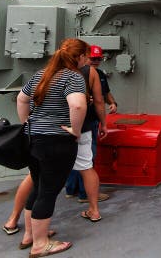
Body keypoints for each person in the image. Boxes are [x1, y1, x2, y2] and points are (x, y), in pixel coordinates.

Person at [16, 38, 88, 257]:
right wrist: (75, 130)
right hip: (56, 142)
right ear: (79, 57)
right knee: (48, 191)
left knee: (38, 186)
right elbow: (77, 104)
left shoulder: (41, 74)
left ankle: (30, 235)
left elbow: (21, 99)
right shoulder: (73, 77)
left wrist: (27, 123)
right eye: (86, 55)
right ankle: (40, 244)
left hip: (34, 139)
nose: (88, 59)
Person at [65, 45, 116, 204]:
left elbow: (104, 94)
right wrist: (104, 123)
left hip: (71, 121)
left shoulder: (67, 73)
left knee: (74, 156)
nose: (95, 61)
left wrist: (113, 102)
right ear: (84, 57)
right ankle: (84, 193)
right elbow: (97, 100)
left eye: (98, 59)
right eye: (92, 58)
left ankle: (71, 189)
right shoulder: (88, 73)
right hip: (86, 121)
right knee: (87, 158)